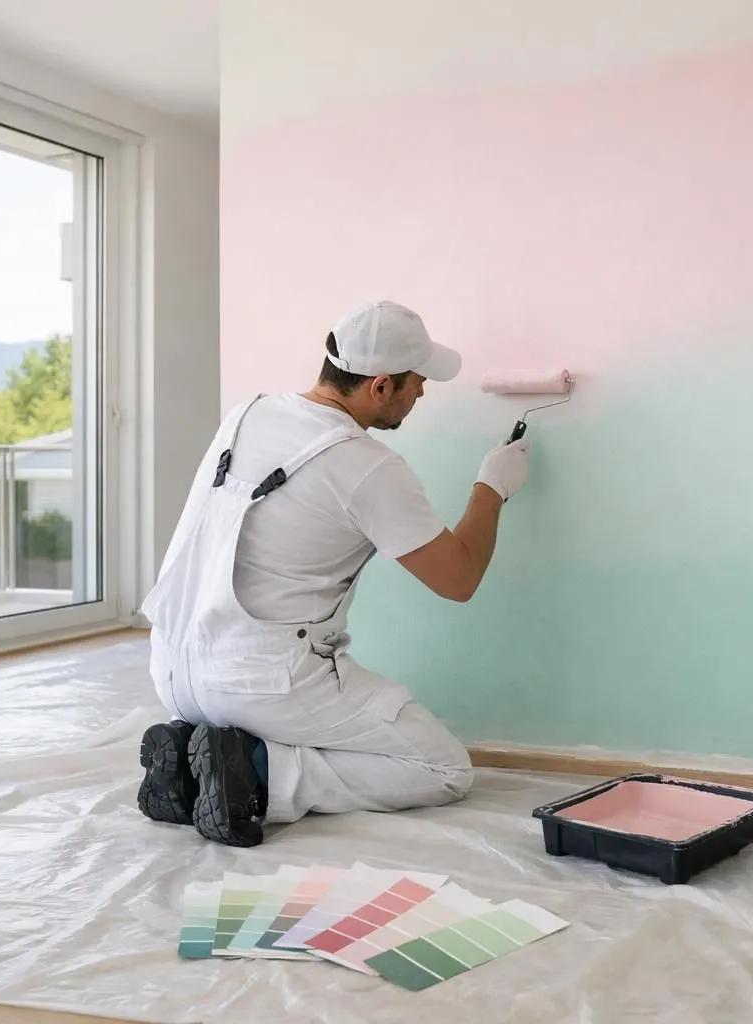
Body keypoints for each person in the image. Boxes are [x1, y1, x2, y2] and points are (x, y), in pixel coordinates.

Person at [134, 300, 531, 847]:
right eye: (417, 383)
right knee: (444, 769)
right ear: (381, 386)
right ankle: (253, 773)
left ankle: (191, 759)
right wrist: (492, 486)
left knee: (298, 712)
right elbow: (457, 579)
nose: (422, 394)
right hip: (264, 684)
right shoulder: (367, 466)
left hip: (173, 670)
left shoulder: (246, 414)